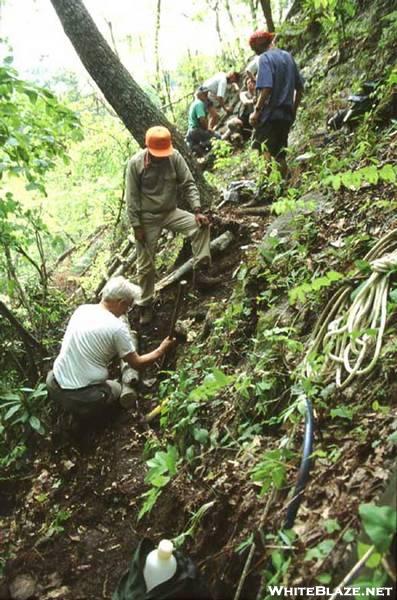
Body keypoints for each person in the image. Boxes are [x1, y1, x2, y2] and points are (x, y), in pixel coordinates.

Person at [125, 126, 220, 325]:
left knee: (200, 227)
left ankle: (200, 273)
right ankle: (145, 304)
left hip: (170, 211)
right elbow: (131, 198)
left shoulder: (174, 157)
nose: (160, 157)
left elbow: (188, 183)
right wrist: (136, 225)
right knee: (145, 265)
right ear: (147, 147)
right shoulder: (135, 164)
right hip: (147, 218)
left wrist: (197, 210)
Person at [46, 276, 175, 416]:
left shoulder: (82, 310)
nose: (127, 311)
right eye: (128, 306)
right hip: (80, 397)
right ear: (120, 303)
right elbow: (137, 364)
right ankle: (92, 419)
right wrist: (162, 349)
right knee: (116, 389)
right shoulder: (117, 328)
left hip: (53, 382)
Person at [248, 30, 304, 179]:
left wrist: (257, 111)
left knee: (264, 150)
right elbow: (299, 88)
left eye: (254, 49)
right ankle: (282, 188)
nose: (254, 52)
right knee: (280, 154)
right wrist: (293, 110)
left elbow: (267, 87)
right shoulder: (288, 57)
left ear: (258, 46)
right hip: (285, 114)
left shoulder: (265, 58)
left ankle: (265, 188)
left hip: (270, 115)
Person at [186, 86, 219, 155]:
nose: (206, 96)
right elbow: (202, 119)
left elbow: (214, 115)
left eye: (207, 93)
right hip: (196, 130)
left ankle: (198, 148)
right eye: (204, 94)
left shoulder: (194, 103)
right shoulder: (199, 104)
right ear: (199, 94)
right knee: (217, 137)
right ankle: (213, 154)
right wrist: (208, 129)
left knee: (194, 149)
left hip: (191, 131)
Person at [222, 77, 256, 144]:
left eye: (252, 82)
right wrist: (253, 101)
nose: (250, 84)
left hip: (254, 120)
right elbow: (245, 101)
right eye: (248, 83)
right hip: (242, 120)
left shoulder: (257, 94)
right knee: (231, 125)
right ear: (246, 85)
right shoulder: (243, 93)